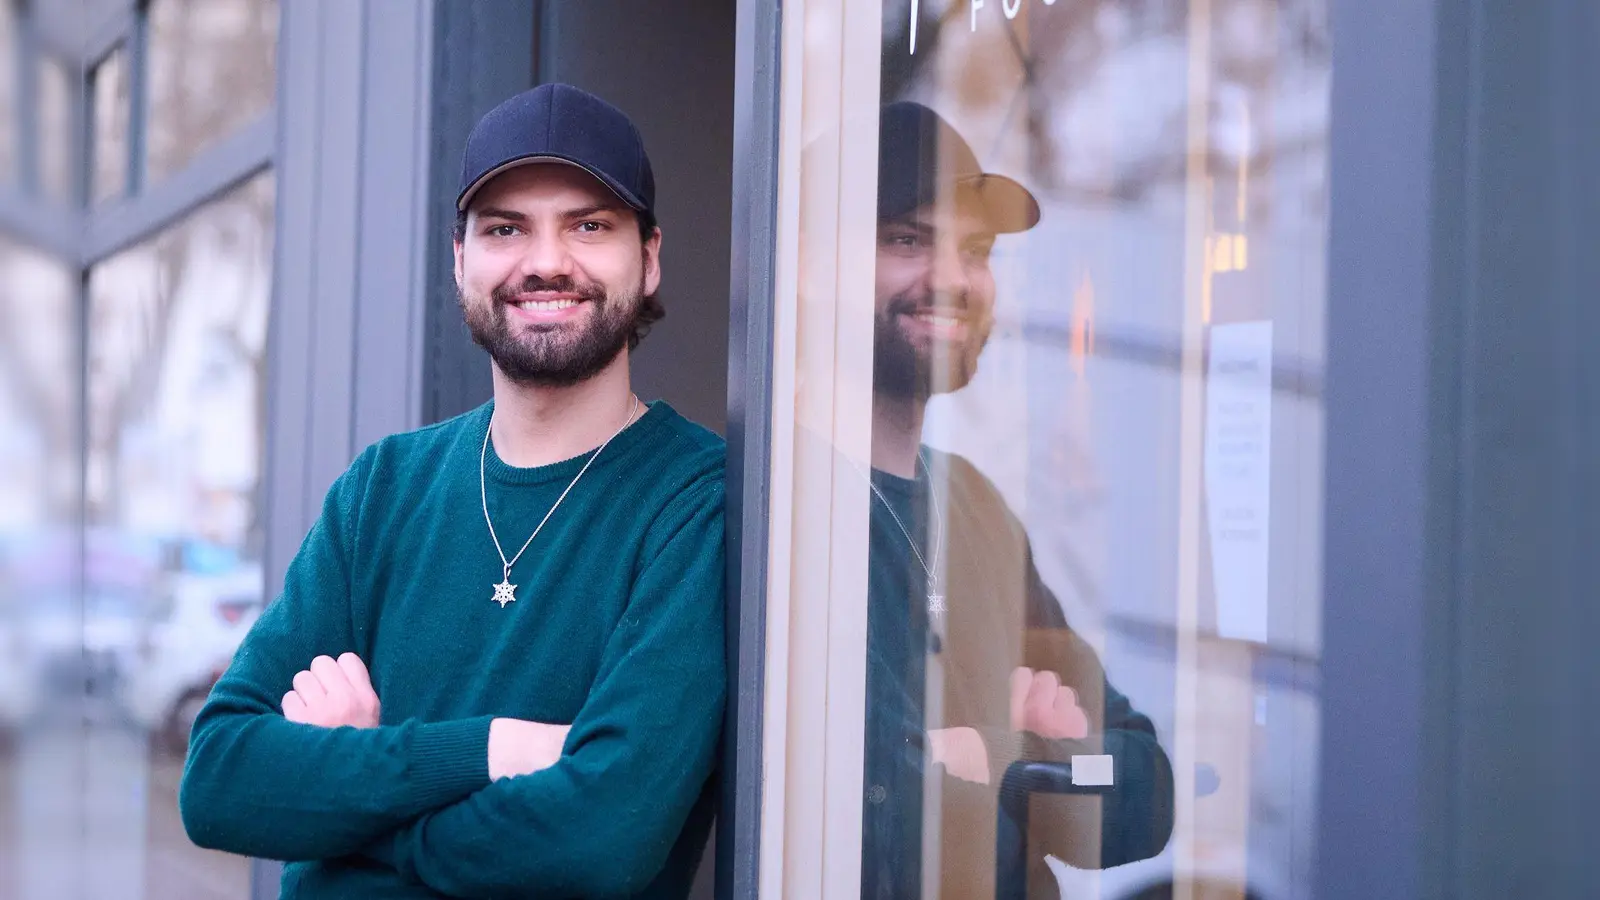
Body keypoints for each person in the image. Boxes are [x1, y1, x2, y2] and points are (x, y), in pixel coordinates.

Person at [179, 83, 726, 898]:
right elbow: (220, 780)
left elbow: (600, 838)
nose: (546, 261)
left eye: (589, 225)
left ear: (648, 259)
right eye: (506, 229)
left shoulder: (698, 499)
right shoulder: (382, 489)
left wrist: (346, 812)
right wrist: (493, 749)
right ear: (461, 260)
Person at [852, 102, 1175, 898]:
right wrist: (1032, 756)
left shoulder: (975, 509)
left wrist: (998, 755)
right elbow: (888, 815)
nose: (954, 280)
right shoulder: (774, 508)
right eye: (907, 239)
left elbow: (1145, 790)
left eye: (977, 250)